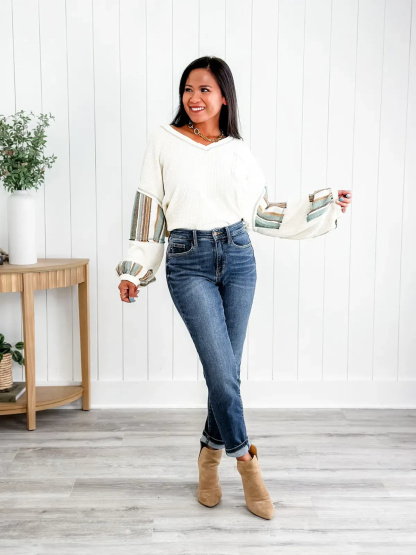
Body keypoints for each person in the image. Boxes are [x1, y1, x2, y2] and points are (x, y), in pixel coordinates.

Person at [115, 56, 352, 520]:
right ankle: (246, 463)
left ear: (224, 96)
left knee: (224, 375)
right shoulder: (164, 140)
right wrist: (133, 270)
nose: (194, 98)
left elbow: (263, 213)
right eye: (188, 89)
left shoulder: (238, 151)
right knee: (222, 373)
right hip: (187, 262)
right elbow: (149, 211)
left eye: (204, 89)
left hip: (239, 258)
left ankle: (209, 456)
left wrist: (325, 203)